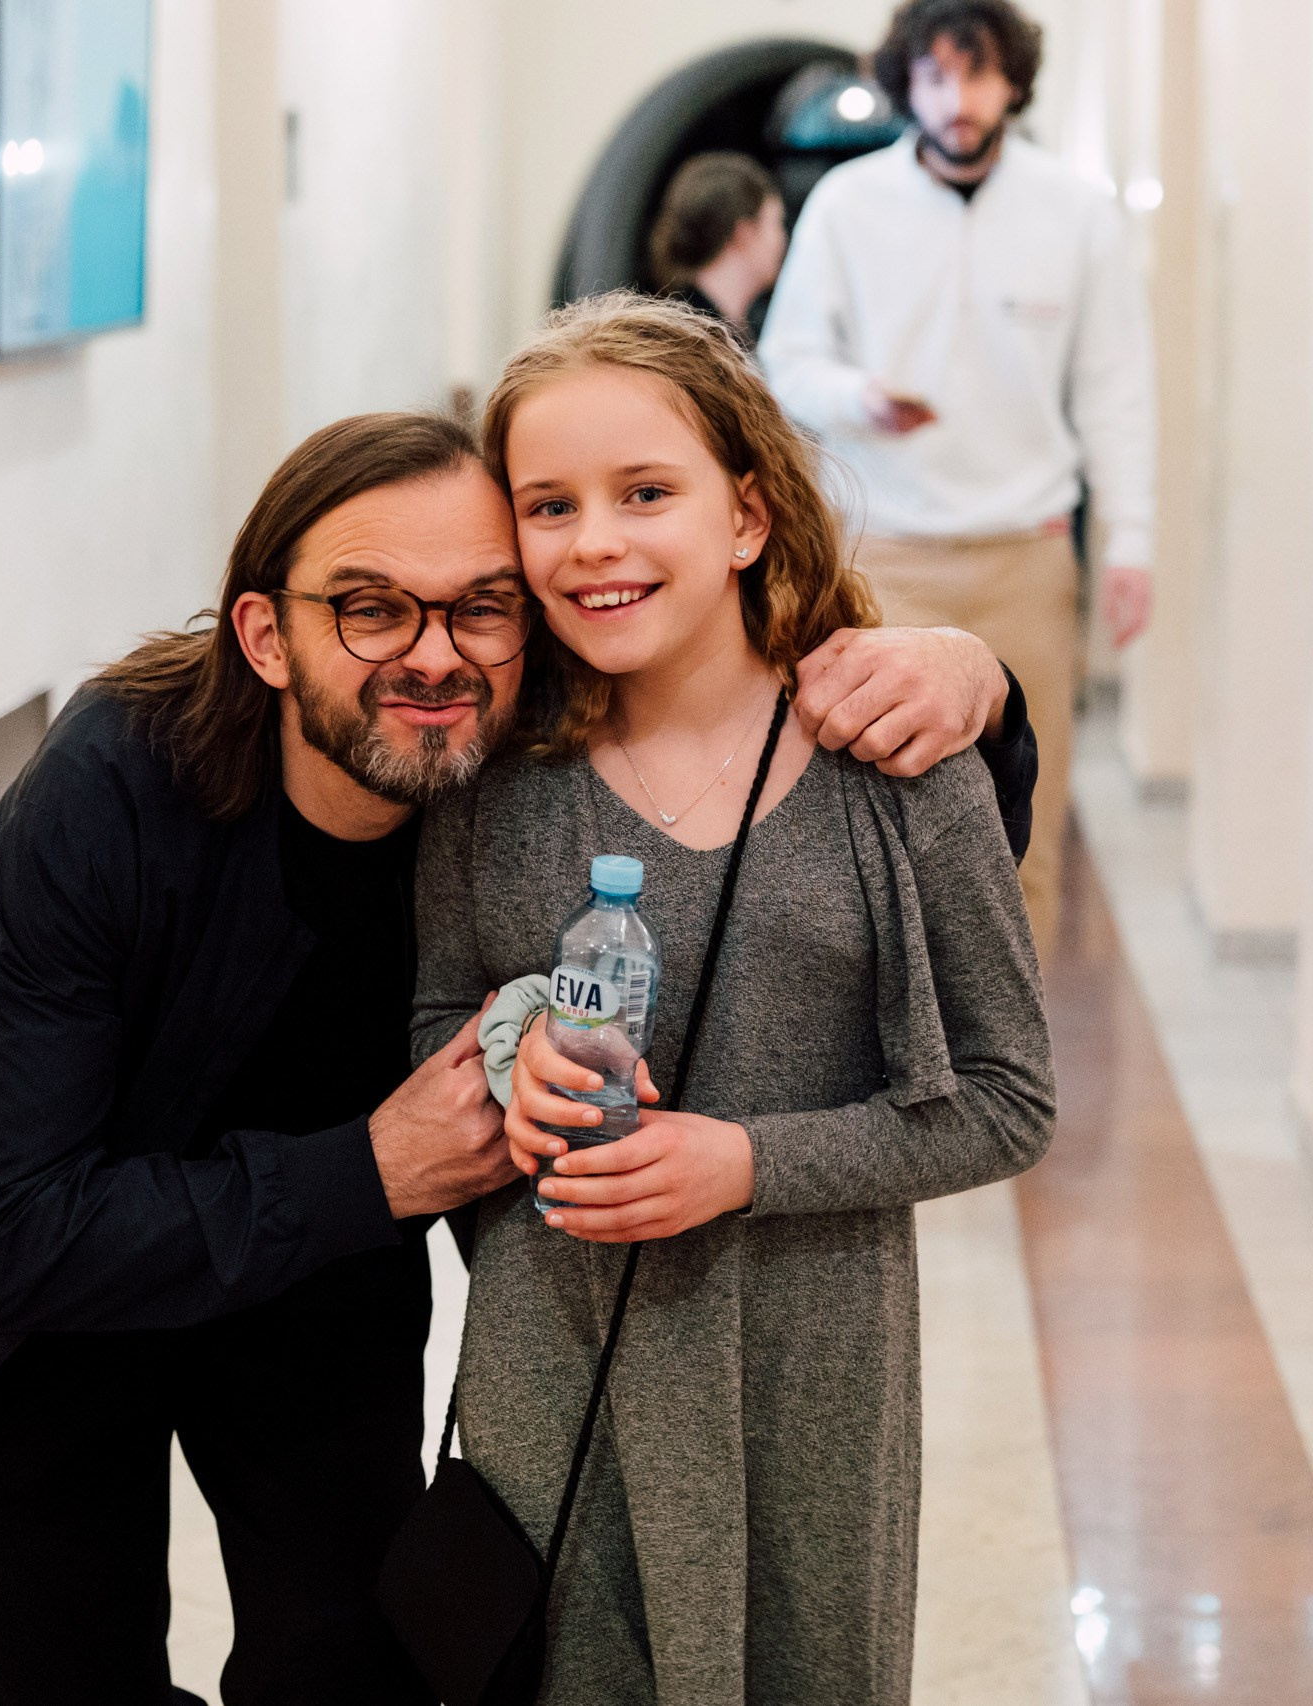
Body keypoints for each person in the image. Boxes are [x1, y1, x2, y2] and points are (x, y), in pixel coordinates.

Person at [0, 411, 1037, 1705]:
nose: (432, 656)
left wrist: (980, 682)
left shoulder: (495, 761)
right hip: (33, 1295)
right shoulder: (110, 791)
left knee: (360, 1666)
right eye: (369, 608)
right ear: (265, 635)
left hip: (310, 1273)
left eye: (480, 605)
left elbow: (823, 845)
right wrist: (370, 1168)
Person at [412, 294, 1056, 1704]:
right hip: (558, 1363)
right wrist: (508, 1055)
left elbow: (1008, 1101)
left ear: (749, 513)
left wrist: (746, 1161)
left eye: (647, 492)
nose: (595, 542)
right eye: (549, 503)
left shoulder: (894, 760)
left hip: (811, 1376)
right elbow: (432, 1023)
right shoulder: (492, 773)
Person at [757, 0, 1155, 951]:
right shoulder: (849, 205)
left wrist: (1133, 543)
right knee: (869, 829)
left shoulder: (1076, 213)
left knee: (1024, 832)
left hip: (1024, 555)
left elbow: (1118, 391)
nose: (958, 99)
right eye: (934, 76)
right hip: (879, 555)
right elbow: (786, 364)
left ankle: (1012, 1087)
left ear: (1012, 82)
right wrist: (862, 397)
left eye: (976, 75)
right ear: (906, 87)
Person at [648, 151, 787, 346]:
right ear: (744, 233)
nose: (782, 239)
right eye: (776, 224)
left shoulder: (709, 323)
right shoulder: (693, 338)